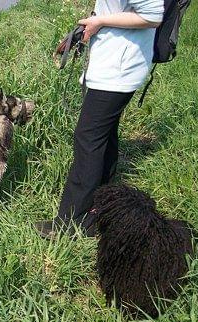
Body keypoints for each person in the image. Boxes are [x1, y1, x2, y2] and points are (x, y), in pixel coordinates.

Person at [36, 0, 165, 238]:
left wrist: (100, 21)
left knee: (88, 138)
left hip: (118, 70)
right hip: (112, 64)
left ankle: (72, 222)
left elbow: (153, 16)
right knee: (104, 135)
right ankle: (101, 205)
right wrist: (95, 22)